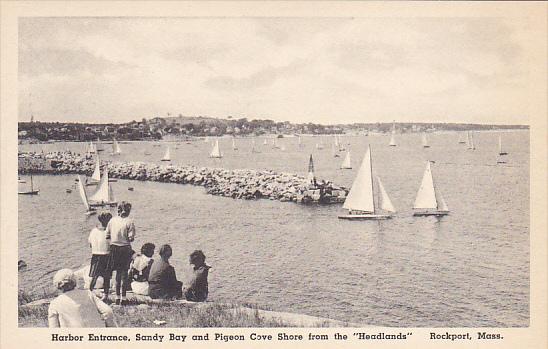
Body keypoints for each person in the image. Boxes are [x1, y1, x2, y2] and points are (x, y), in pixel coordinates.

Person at [48, 269, 116, 327]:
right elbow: (108, 311)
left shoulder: (54, 304)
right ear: (74, 281)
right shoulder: (88, 294)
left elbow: (53, 328)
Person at [105, 201, 135, 305]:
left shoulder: (112, 220)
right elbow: (131, 238)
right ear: (127, 210)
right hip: (125, 248)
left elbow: (107, 236)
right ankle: (124, 298)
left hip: (114, 248)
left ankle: (117, 297)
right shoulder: (129, 221)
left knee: (117, 274)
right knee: (124, 274)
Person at [88, 211, 113, 302]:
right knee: (106, 277)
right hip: (106, 256)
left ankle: (89, 291)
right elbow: (112, 245)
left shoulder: (94, 231)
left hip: (95, 255)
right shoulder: (109, 232)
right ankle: (105, 295)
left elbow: (90, 243)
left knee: (94, 276)